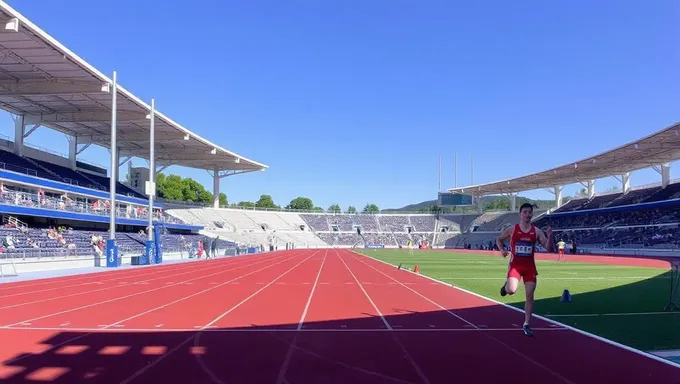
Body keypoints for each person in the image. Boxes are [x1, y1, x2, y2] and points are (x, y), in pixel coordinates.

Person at [496, 203, 553, 337]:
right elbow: (499, 239)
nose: (527, 215)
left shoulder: (537, 231)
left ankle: (526, 324)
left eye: (530, 212)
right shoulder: (512, 230)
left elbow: (548, 248)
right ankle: (505, 288)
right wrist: (502, 250)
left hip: (529, 268)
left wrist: (549, 236)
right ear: (520, 214)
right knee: (511, 290)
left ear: (532, 214)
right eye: (525, 212)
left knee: (529, 296)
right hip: (515, 266)